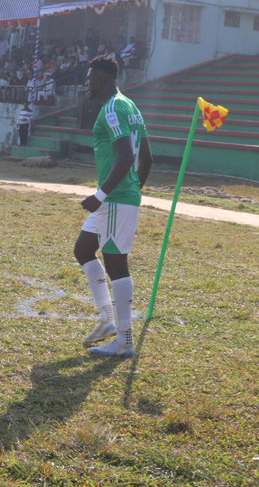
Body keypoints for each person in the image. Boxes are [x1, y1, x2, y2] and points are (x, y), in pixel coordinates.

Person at [74, 56, 153, 357]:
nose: (87, 84)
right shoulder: (131, 106)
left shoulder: (112, 109)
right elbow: (147, 159)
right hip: (119, 197)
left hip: (114, 199)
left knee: (117, 265)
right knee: (83, 249)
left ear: (103, 80)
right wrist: (132, 189)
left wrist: (103, 195)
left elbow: (126, 156)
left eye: (90, 79)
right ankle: (107, 318)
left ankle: (124, 340)